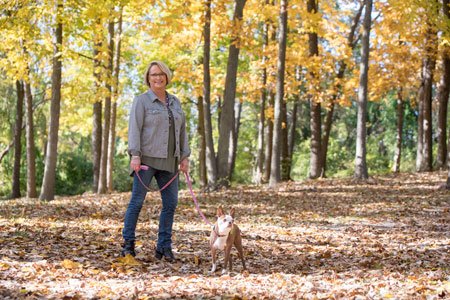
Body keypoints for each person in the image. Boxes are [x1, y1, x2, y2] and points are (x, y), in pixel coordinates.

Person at [121, 60, 190, 262]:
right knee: (136, 202)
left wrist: (184, 156)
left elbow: (183, 130)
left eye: (161, 74)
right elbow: (135, 128)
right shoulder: (141, 101)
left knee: (171, 204)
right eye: (153, 75)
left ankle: (164, 247)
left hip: (171, 161)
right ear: (148, 79)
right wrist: (135, 154)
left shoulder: (175, 102)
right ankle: (128, 245)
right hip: (146, 160)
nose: (158, 77)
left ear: (166, 76)